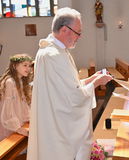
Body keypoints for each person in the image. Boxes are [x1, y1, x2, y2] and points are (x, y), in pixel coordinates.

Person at [27, 7, 112, 160]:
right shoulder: (54, 55)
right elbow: (74, 97)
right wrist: (97, 83)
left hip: (53, 119)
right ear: (65, 29)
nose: (79, 37)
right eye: (78, 32)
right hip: (59, 127)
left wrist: (91, 79)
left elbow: (68, 86)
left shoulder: (53, 51)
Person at [0, 54, 33, 141]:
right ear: (14, 66)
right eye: (25, 65)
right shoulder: (10, 82)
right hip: (8, 127)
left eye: (29, 66)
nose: (28, 68)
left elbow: (23, 105)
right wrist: (18, 129)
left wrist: (29, 118)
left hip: (17, 124)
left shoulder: (20, 82)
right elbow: (7, 110)